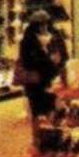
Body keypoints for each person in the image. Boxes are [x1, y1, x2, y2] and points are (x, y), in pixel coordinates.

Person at [17, 10, 68, 144]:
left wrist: (61, 68)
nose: (43, 26)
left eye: (45, 23)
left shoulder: (55, 37)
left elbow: (64, 56)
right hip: (36, 83)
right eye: (39, 24)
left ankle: (55, 138)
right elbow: (27, 62)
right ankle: (38, 141)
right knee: (37, 113)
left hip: (53, 80)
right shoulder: (27, 41)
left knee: (56, 109)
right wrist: (49, 60)